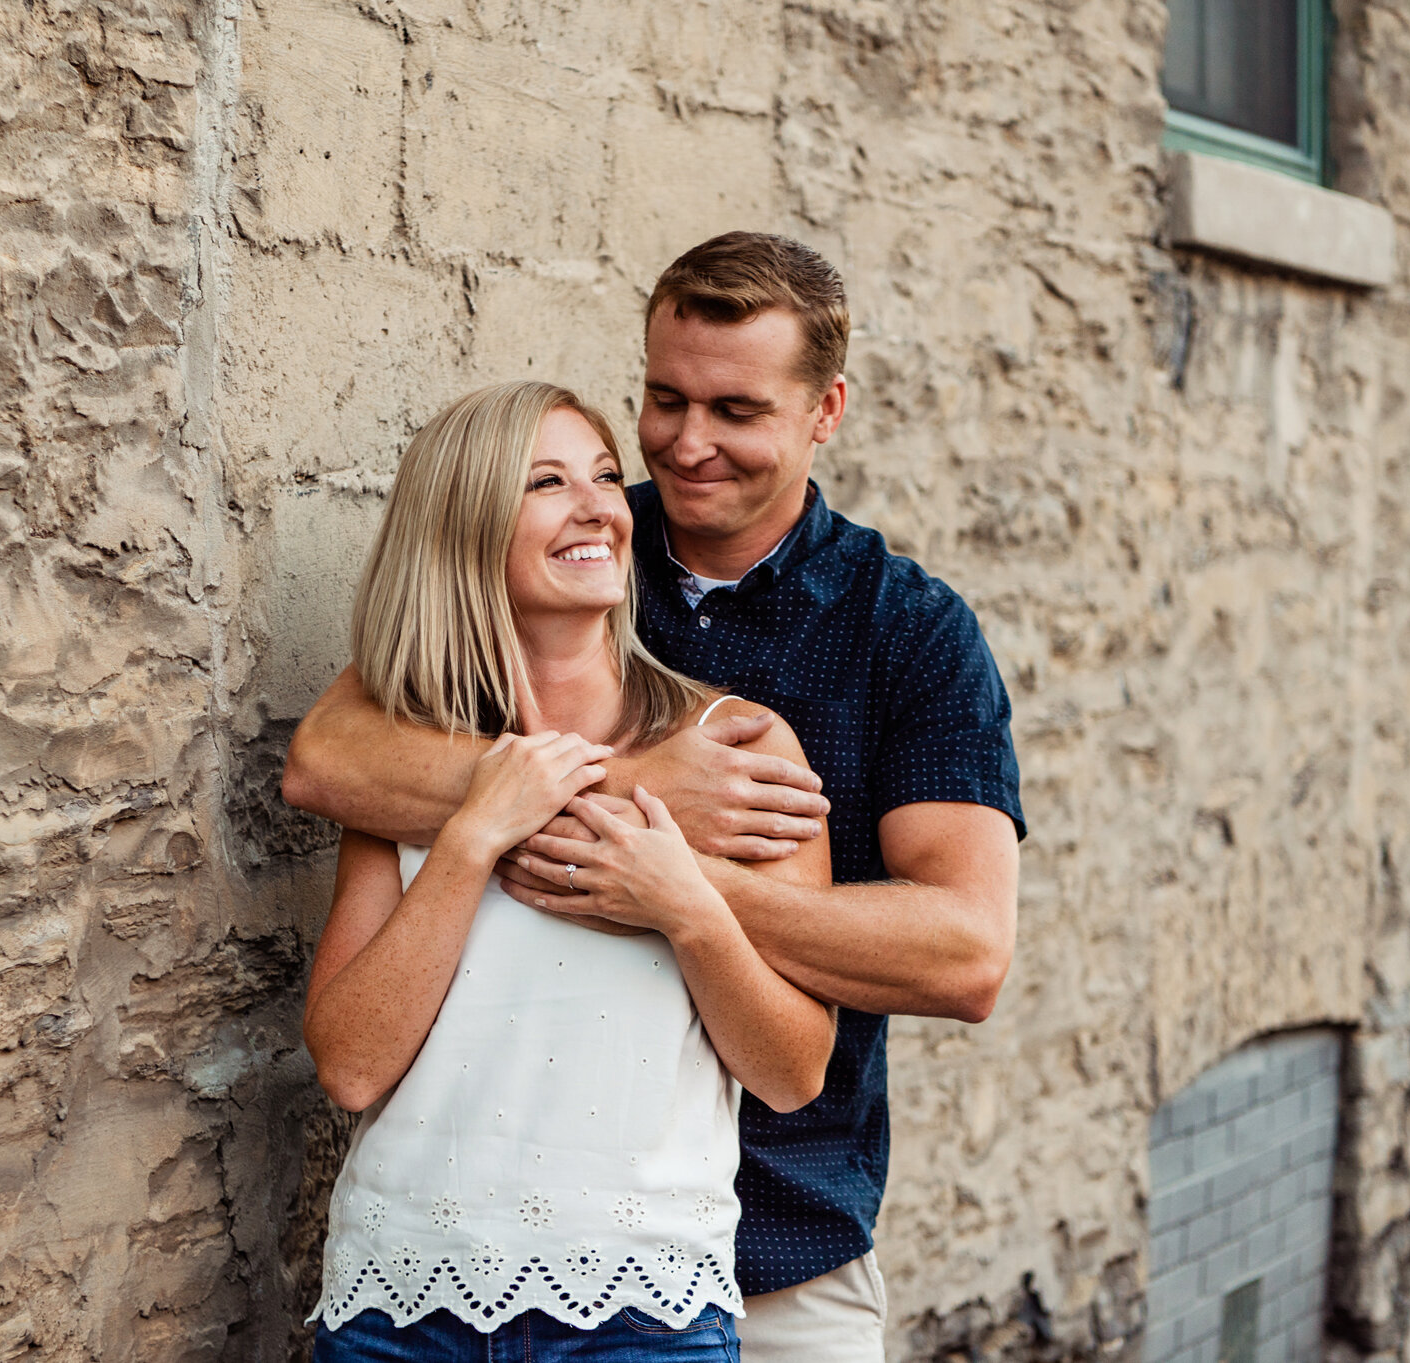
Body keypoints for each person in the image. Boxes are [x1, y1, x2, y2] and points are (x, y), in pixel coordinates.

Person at [285, 232, 1025, 1363]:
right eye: (663, 399)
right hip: (452, 1265)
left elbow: (963, 954)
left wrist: (666, 883)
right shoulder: (565, 550)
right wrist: (630, 785)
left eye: (735, 410)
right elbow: (329, 758)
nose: (686, 444)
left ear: (824, 410)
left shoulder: (905, 632)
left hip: (776, 1242)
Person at [303, 380, 838, 1360]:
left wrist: (686, 907)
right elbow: (348, 1065)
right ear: (464, 526)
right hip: (401, 1310)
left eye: (602, 474)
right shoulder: (403, 771)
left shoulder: (741, 753)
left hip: (643, 1318)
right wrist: (471, 838)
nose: (599, 504)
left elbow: (792, 1071)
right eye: (546, 481)